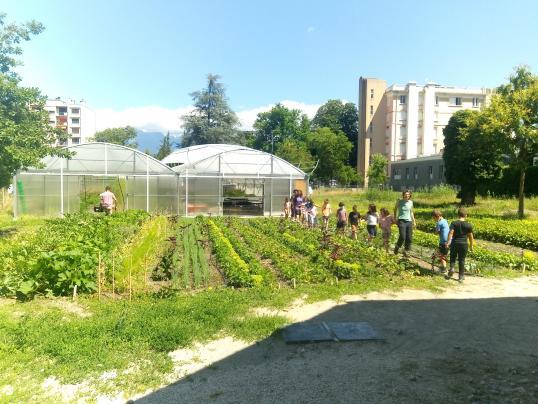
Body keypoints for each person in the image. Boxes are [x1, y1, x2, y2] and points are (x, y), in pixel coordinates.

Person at [446, 208, 474, 282]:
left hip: (455, 243)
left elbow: (451, 233)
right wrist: (471, 246)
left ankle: (452, 268)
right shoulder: (469, 225)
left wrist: (448, 242)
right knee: (462, 260)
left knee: (453, 256)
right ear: (466, 215)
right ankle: (461, 276)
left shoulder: (454, 223)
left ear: (458, 215)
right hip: (464, 244)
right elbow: (471, 236)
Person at [393, 190, 415, 257]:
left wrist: (414, 221)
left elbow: (411, 212)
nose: (407, 195)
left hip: (409, 221)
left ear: (410, 195)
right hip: (401, 220)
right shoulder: (399, 201)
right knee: (402, 236)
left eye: (408, 194)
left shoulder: (411, 202)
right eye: (405, 194)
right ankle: (397, 247)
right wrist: (395, 218)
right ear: (403, 195)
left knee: (409, 238)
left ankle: (406, 252)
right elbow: (395, 209)